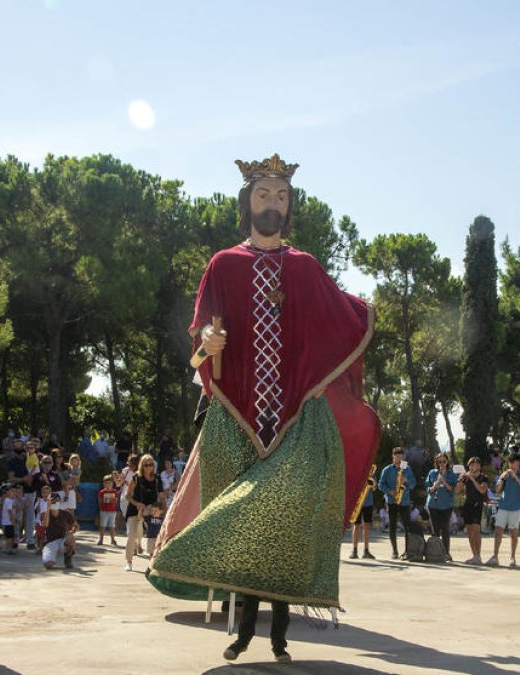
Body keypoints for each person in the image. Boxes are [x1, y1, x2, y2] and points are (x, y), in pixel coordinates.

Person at [147, 154, 379, 665]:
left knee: (283, 528)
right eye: (263, 194)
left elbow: (342, 319)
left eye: (281, 196)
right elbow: (201, 338)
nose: (272, 203)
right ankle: (243, 632)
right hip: (237, 413)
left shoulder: (305, 268)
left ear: (289, 207)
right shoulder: (223, 264)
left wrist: (364, 313)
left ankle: (277, 639)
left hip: (296, 416)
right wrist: (207, 342)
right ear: (247, 203)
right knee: (243, 524)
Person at [487, 454, 520, 567]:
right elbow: (497, 490)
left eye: (516, 463)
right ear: (509, 463)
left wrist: (515, 477)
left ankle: (512, 557)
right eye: (512, 463)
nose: (514, 465)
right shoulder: (504, 475)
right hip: (503, 506)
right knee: (498, 531)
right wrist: (501, 479)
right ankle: (495, 556)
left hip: (516, 507)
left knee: (513, 533)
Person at [377, 447, 417, 559]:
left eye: (401, 457)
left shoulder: (407, 469)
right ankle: (394, 551)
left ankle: (407, 551)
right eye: (397, 456)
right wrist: (389, 491)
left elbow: (413, 483)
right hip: (391, 501)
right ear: (393, 457)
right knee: (392, 526)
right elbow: (380, 484)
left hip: (404, 501)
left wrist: (407, 480)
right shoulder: (387, 470)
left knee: (407, 526)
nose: (399, 459)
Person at [125, 454, 161, 568]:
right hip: (135, 509)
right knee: (131, 535)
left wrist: (162, 509)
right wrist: (137, 504)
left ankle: (151, 563)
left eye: (150, 464)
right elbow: (127, 495)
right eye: (146, 465)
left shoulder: (157, 479)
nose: (148, 467)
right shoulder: (136, 478)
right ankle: (129, 561)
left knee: (153, 536)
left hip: (151, 509)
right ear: (142, 466)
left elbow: (161, 496)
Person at [455, 457, 490, 564]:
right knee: (469, 531)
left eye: (475, 464)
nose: (472, 466)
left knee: (476, 530)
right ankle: (474, 555)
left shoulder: (483, 477)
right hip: (467, 505)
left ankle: (478, 555)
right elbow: (457, 491)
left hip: (477, 505)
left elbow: (482, 490)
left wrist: (473, 479)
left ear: (479, 466)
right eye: (471, 464)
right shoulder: (465, 477)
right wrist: (460, 480)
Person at [424, 453, 457, 561]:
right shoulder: (432, 473)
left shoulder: (451, 474)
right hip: (433, 505)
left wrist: (444, 481)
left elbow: (452, 489)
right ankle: (435, 553)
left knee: (445, 529)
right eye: (439, 462)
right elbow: (428, 488)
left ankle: (446, 553)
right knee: (435, 530)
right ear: (436, 462)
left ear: (447, 462)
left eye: (444, 461)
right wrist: (435, 484)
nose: (442, 464)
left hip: (447, 505)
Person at [41, 495, 77, 570]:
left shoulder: (66, 513)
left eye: (57, 501)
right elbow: (45, 524)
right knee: (48, 566)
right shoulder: (46, 514)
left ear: (60, 501)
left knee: (71, 539)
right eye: (52, 501)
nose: (55, 503)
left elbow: (76, 526)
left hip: (62, 540)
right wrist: (48, 508)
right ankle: (51, 559)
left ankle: (68, 558)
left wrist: (71, 532)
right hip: (50, 542)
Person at [348, 467, 376, 560]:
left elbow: (374, 488)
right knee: (356, 526)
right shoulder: (356, 470)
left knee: (367, 526)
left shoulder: (372, 471)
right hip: (357, 503)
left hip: (368, 502)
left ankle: (366, 551)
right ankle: (354, 550)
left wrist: (372, 483)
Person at [97, 476, 119, 546]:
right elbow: (99, 501)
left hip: (112, 511)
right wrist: (101, 509)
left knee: (112, 526)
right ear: (104, 484)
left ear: (112, 483)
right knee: (102, 526)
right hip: (104, 511)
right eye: (106, 483)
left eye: (110, 483)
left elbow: (116, 501)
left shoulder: (115, 492)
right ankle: (101, 539)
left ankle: (112, 539)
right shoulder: (102, 492)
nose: (108, 484)